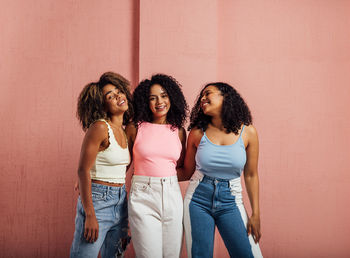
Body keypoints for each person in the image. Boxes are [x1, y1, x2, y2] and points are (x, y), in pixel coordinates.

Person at [181, 82, 263, 258]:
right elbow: (187, 171)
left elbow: (251, 175)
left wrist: (256, 213)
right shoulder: (196, 133)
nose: (202, 99)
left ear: (225, 97)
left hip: (231, 200)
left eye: (208, 94)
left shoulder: (248, 132)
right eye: (201, 96)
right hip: (197, 200)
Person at [70, 72, 133, 258]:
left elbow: (120, 166)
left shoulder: (124, 130)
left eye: (119, 91)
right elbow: (82, 170)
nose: (118, 97)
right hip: (98, 201)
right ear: (102, 105)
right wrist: (90, 214)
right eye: (110, 96)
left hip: (121, 201)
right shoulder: (99, 127)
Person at [125, 74, 188, 258]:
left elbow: (182, 169)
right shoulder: (135, 128)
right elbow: (123, 164)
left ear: (172, 98)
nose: (159, 101)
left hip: (172, 195)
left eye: (163, 95)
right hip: (143, 195)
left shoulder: (179, 131)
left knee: (171, 255)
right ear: (146, 102)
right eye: (153, 98)